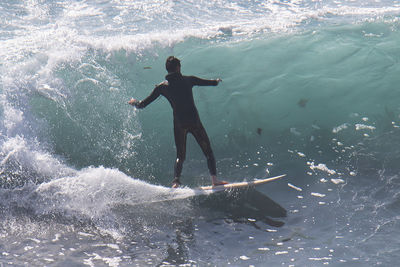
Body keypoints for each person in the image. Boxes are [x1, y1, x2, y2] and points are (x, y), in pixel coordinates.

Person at [129, 56, 227, 188]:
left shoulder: (162, 87)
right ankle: (215, 180)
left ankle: (176, 181)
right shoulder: (189, 80)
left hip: (180, 123)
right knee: (208, 152)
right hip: (194, 121)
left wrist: (133, 102)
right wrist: (217, 81)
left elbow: (142, 104)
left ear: (167, 69)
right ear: (178, 67)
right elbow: (209, 83)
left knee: (180, 156)